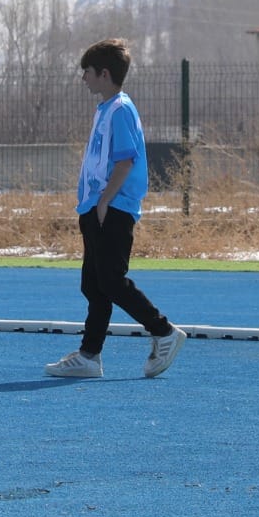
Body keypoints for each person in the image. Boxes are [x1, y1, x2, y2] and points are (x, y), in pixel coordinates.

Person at [47, 38, 184, 380]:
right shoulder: (106, 109)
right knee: (93, 285)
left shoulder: (121, 109)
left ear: (104, 74)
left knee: (111, 280)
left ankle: (163, 331)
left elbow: (125, 160)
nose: (84, 79)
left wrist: (106, 200)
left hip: (112, 207)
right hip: (96, 207)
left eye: (87, 72)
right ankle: (89, 356)